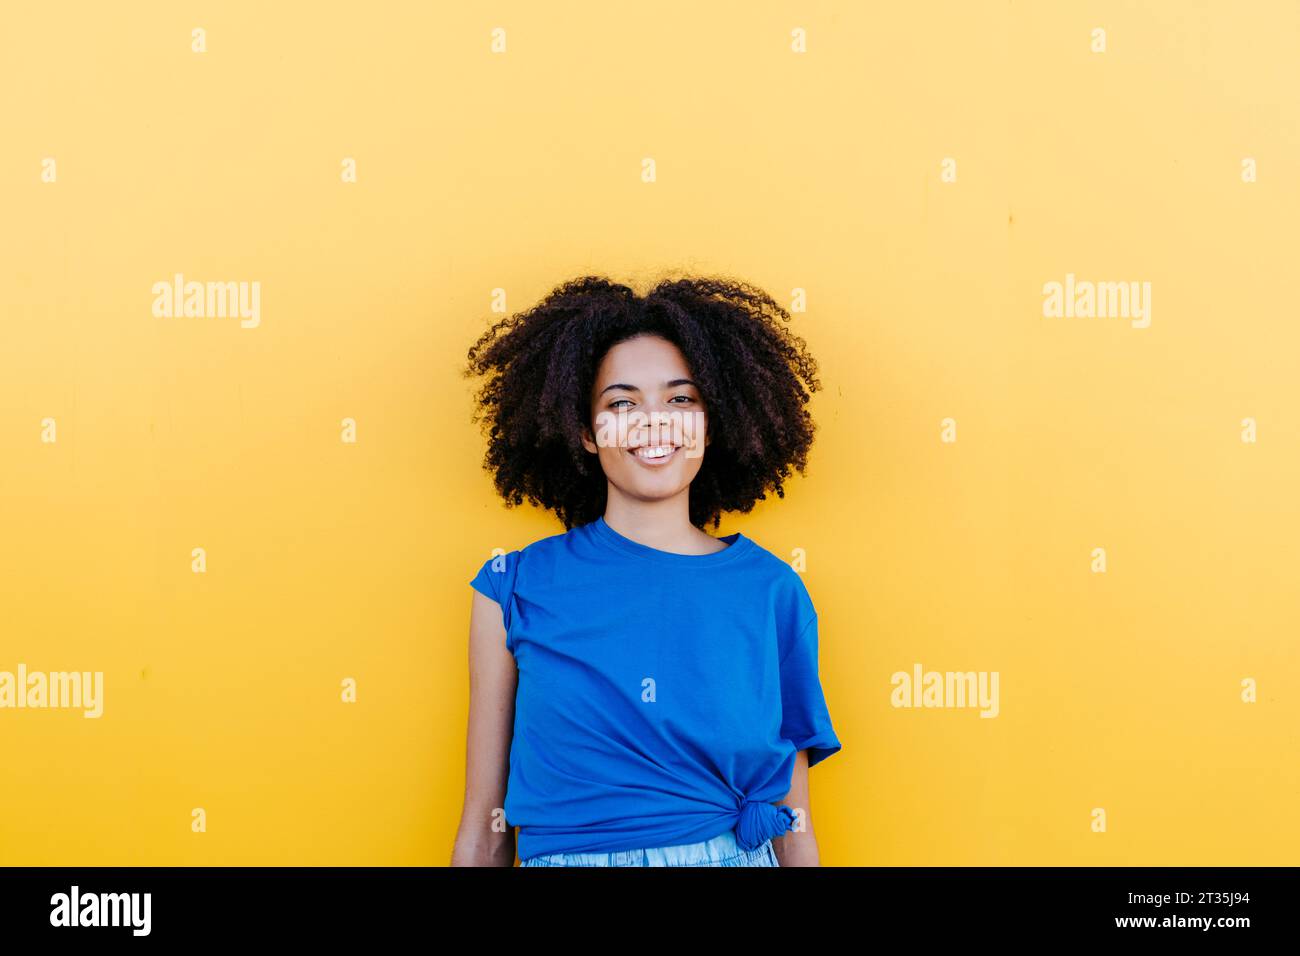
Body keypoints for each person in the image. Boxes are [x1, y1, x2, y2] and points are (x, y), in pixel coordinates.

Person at [450, 275, 842, 867]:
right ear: (585, 431)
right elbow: (485, 827)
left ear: (711, 423)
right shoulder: (513, 587)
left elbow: (793, 822)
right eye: (622, 403)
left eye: (681, 399)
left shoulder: (772, 592)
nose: (654, 421)